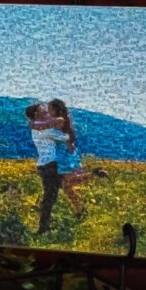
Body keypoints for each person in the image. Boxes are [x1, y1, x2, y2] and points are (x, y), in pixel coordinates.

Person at [27, 101, 67, 233]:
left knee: (51, 194)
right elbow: (65, 137)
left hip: (45, 165)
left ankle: (46, 223)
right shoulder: (43, 130)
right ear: (36, 114)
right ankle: (43, 227)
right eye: (43, 111)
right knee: (50, 196)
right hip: (49, 165)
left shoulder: (38, 128)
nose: (46, 113)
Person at [48, 99, 90, 219]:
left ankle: (94, 175)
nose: (48, 111)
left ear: (56, 110)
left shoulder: (59, 119)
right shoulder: (61, 120)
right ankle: (80, 209)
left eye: (50, 109)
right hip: (63, 155)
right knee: (66, 186)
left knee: (66, 184)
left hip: (64, 157)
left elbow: (55, 135)